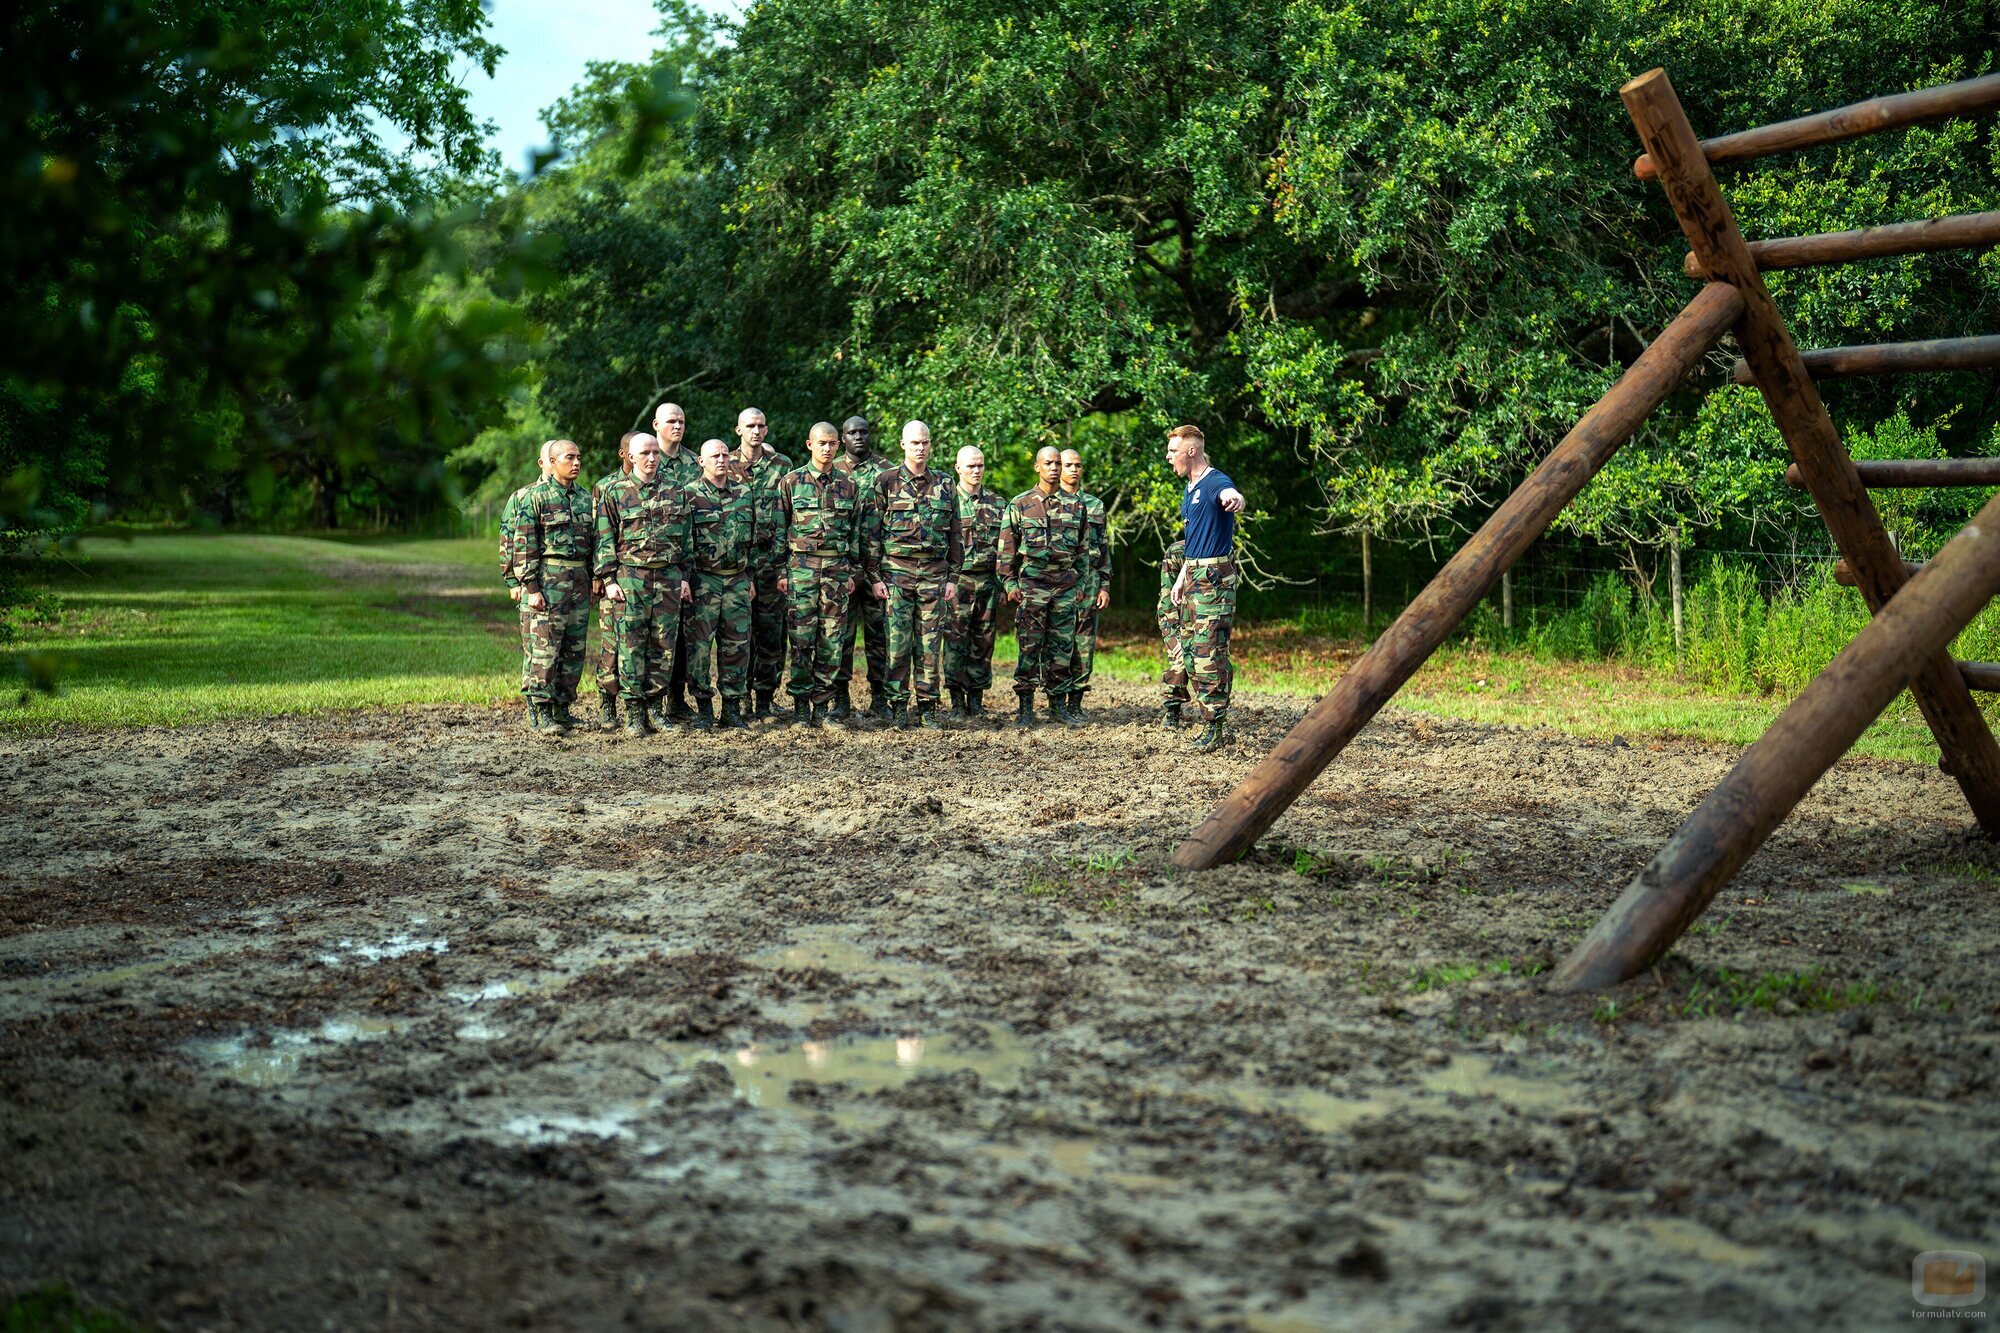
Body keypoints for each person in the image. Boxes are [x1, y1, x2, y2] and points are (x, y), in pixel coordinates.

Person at [593, 432, 693, 737]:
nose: (651, 458)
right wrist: (608, 579)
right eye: (645, 453)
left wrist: (685, 577)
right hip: (630, 577)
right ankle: (634, 713)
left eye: (655, 453)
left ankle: (655, 709)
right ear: (631, 457)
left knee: (663, 646)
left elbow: (687, 538)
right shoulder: (615, 492)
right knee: (631, 647)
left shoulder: (676, 491)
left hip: (667, 577)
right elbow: (603, 538)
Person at [863, 420, 961, 729]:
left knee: (930, 646)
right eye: (914, 443)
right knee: (897, 644)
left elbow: (956, 534)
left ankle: (928, 708)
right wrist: (875, 577)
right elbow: (872, 535)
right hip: (896, 575)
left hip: (934, 576)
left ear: (931, 445)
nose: (920, 448)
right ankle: (896, 708)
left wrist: (953, 579)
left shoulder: (946, 484)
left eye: (925, 443)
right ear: (903, 445)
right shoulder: (885, 482)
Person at [775, 422, 865, 728]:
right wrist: (781, 571)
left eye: (832, 443)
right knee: (801, 640)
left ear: (838, 445)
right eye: (821, 443)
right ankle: (801, 707)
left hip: (837, 572)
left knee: (832, 640)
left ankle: (823, 707)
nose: (827, 449)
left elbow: (855, 533)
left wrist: (854, 570)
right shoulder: (791, 481)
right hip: (801, 570)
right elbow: (779, 529)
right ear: (809, 444)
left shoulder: (849, 485)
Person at [1166, 423, 1245, 752]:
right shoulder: (1190, 487)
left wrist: (1235, 498)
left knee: (1208, 653)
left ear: (1191, 451)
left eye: (1173, 451)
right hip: (1195, 574)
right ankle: (1212, 719)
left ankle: (1215, 726)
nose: (1169, 457)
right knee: (1191, 652)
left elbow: (1230, 493)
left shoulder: (1215, 481)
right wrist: (1184, 574)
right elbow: (1196, 540)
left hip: (1214, 580)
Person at [998, 445, 1088, 729]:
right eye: (1048, 463)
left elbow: (1085, 551)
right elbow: (1006, 548)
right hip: (1032, 584)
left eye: (1058, 463)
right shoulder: (1020, 504)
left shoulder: (1075, 505)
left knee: (1062, 646)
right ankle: (1025, 707)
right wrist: (1009, 582)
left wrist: (1081, 584)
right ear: (1037, 467)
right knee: (1029, 646)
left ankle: (1058, 706)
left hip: (1064, 584)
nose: (1054, 467)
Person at [513, 439, 594, 734]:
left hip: (579, 581)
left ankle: (562, 708)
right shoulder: (535, 498)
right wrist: (531, 587)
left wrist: (595, 580)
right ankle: (541, 708)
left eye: (578, 458)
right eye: (569, 458)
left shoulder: (586, 499)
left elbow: (595, 545)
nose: (576, 463)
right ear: (552, 461)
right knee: (545, 648)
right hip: (549, 579)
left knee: (574, 649)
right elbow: (523, 545)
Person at [686, 438, 761, 731]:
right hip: (704, 580)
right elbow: (682, 540)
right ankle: (704, 709)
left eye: (724, 455)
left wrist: (750, 576)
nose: (720, 459)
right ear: (701, 461)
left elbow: (754, 538)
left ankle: (732, 709)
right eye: (713, 456)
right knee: (699, 649)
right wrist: (685, 579)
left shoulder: (744, 493)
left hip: (737, 580)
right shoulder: (689, 496)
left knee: (736, 647)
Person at [830, 414, 894, 720]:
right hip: (841, 567)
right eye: (852, 433)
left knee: (879, 634)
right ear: (843, 438)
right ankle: (840, 697)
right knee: (840, 634)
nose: (859, 437)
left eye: (864, 432)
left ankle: (879, 696)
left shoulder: (888, 470)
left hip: (880, 567)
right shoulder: (832, 468)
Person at [733, 407, 793, 720]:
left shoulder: (783, 466)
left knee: (772, 633)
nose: (755, 431)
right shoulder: (726, 464)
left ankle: (765, 700)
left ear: (766, 431)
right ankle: (739, 700)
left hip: (772, 562)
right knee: (740, 635)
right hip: (738, 564)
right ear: (738, 430)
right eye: (749, 426)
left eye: (760, 426)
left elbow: (790, 512)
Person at [945, 445, 1006, 719]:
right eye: (970, 466)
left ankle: (977, 699)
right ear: (958, 468)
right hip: (958, 582)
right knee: (955, 641)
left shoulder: (997, 503)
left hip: (988, 582)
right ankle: (956, 700)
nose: (976, 470)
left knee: (983, 642)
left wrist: (1004, 583)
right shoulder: (947, 502)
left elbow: (1007, 550)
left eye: (980, 465)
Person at [653, 402, 702, 722]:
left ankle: (677, 698)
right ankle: (647, 701)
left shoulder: (694, 463)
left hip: (689, 560)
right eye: (671, 421)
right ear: (656, 424)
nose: (677, 426)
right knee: (654, 636)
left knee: (685, 636)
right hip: (652, 561)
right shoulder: (646, 455)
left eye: (682, 421)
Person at [590, 431, 639, 732]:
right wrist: (599, 576)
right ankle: (608, 701)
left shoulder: (659, 485)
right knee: (612, 642)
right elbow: (598, 534)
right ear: (624, 454)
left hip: (645, 580)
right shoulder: (606, 487)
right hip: (614, 577)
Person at [1059, 448, 1112, 721]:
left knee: (1084, 642)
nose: (1073, 470)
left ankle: (1076, 701)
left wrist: (1104, 585)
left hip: (1089, 580)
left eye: (1078, 465)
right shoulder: (1049, 503)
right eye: (1068, 465)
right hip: (1058, 579)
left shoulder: (1095, 506)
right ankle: (1056, 699)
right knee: (1057, 641)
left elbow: (1103, 548)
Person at [500, 439, 557, 604]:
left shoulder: (577, 497)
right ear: (541, 462)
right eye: (551, 459)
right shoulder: (522, 496)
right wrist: (512, 581)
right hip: (531, 576)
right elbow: (508, 538)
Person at [1157, 536, 1190, 729]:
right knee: (1180, 662)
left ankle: (1215, 719)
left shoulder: (1222, 550)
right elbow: (1166, 601)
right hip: (1178, 619)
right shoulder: (1177, 551)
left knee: (1213, 665)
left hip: (1208, 618)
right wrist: (1175, 638)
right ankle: (1172, 711)